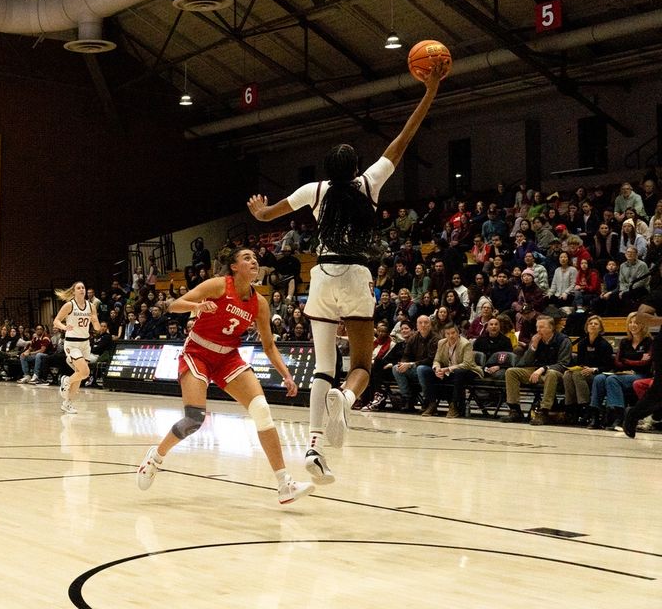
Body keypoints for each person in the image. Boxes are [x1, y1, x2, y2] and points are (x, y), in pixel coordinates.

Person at [248, 61, 443, 484]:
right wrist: (429, 91)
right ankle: (347, 399)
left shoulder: (313, 191)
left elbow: (267, 214)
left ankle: (314, 448)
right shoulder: (370, 183)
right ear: (356, 168)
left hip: (320, 278)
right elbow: (403, 139)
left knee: (322, 365)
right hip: (356, 276)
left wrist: (260, 211)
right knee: (362, 366)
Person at [136, 247, 314, 505]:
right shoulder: (219, 285)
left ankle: (284, 483)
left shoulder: (260, 303)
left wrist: (286, 374)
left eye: (255, 258)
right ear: (234, 266)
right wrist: (198, 306)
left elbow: (269, 345)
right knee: (194, 419)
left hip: (228, 358)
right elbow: (175, 305)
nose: (253, 261)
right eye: (247, 258)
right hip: (197, 352)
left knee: (262, 409)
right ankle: (156, 457)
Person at [52, 281, 99, 414]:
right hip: (72, 343)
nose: (82, 289)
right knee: (85, 372)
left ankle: (67, 403)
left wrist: (95, 322)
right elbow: (56, 321)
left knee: (80, 374)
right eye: (79, 288)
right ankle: (66, 380)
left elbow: (96, 326)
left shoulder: (91, 306)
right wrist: (64, 327)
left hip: (85, 344)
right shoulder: (69, 305)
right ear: (74, 291)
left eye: (83, 287)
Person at [563, 315, 614, 426]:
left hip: (598, 374)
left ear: (600, 328)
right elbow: (580, 362)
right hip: (584, 372)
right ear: (587, 326)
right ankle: (571, 407)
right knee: (567, 374)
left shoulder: (604, 345)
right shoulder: (582, 343)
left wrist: (593, 369)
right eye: (590, 323)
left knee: (577, 375)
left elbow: (608, 366)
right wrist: (578, 367)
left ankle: (585, 407)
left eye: (596, 324)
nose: (593, 325)